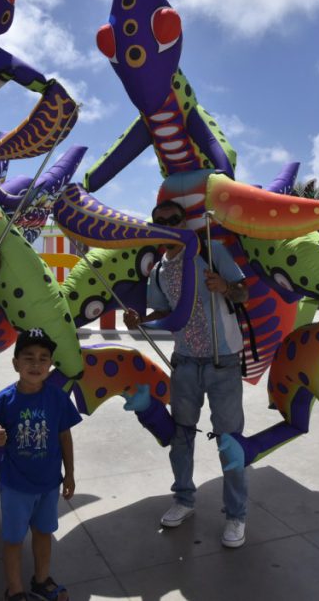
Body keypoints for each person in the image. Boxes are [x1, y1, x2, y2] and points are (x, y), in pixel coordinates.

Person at [123, 199, 251, 549]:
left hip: (222, 362)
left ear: (185, 221)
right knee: (181, 438)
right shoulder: (159, 272)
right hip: (184, 364)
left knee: (230, 442)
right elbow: (163, 311)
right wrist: (141, 320)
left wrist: (224, 287)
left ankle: (237, 515)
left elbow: (244, 291)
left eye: (173, 219)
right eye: (159, 220)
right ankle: (184, 499)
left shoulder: (212, 252)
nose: (166, 224)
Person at [0, 328, 80, 601]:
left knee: (44, 532)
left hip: (50, 482)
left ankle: (41, 580)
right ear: (15, 363)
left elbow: (65, 436)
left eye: (43, 358)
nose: (36, 364)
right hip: (16, 484)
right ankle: (15, 589)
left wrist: (70, 474)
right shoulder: (3, 401)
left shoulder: (58, 398)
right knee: (14, 539)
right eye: (28, 357)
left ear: (50, 365)